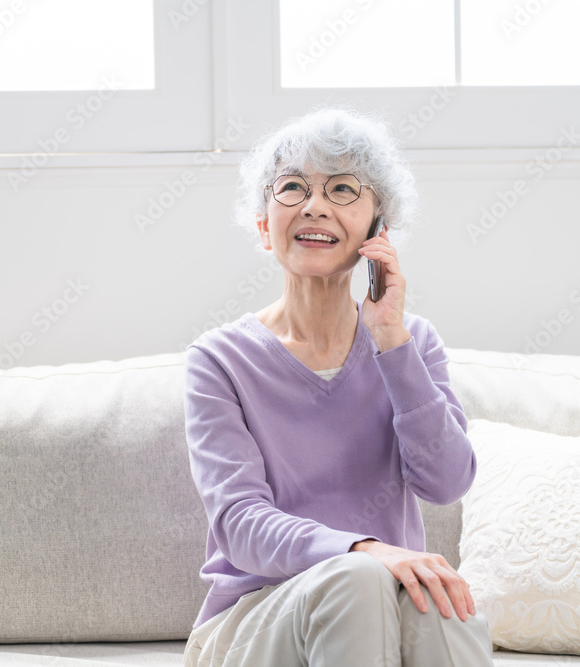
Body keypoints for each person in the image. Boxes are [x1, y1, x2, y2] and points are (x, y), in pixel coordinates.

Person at [182, 106, 495, 666]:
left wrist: (391, 341)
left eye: (343, 189)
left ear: (378, 231)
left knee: (440, 598)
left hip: (381, 609)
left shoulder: (412, 343)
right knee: (358, 577)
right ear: (264, 226)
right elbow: (239, 524)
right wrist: (365, 550)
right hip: (254, 622)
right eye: (292, 188)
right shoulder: (219, 360)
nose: (315, 206)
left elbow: (447, 482)